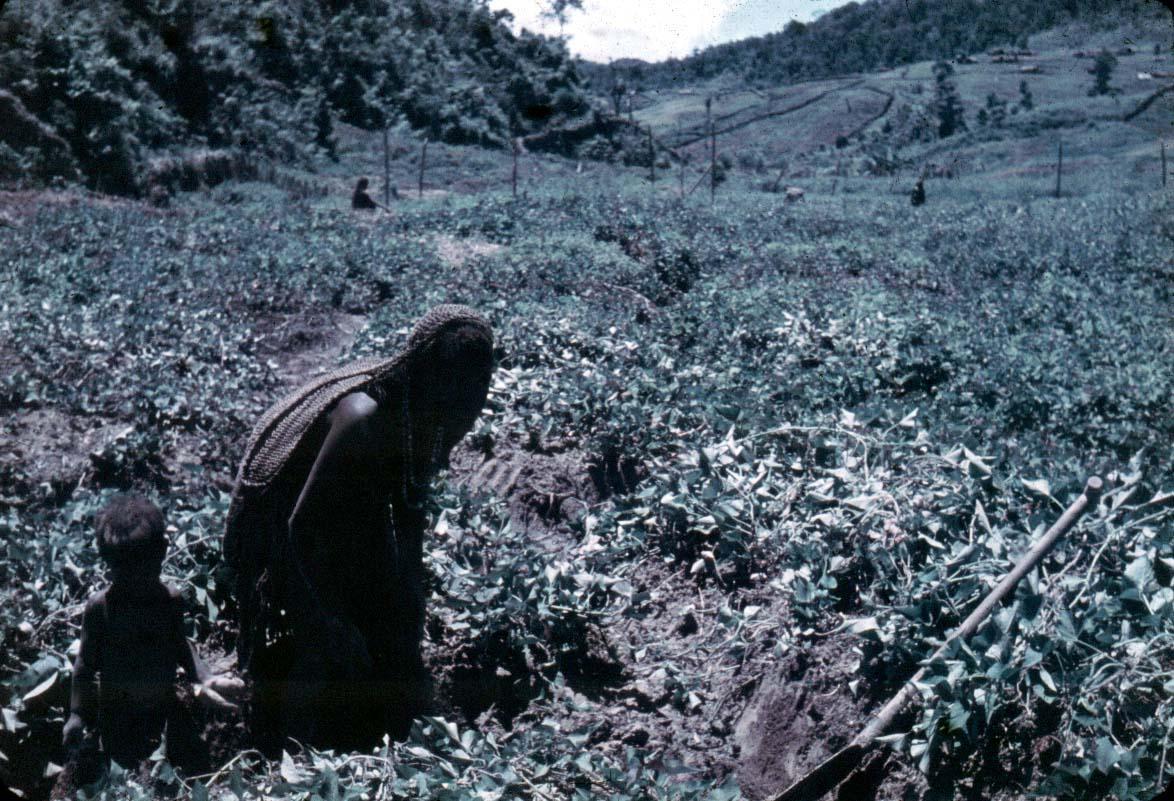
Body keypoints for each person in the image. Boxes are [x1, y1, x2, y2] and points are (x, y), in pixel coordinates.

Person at [225, 305, 494, 749]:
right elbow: (299, 531)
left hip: (346, 515)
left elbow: (409, 516)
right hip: (281, 539)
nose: (469, 412)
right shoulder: (364, 420)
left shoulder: (429, 414)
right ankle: (291, 745)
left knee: (389, 630)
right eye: (460, 398)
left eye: (477, 395)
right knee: (330, 655)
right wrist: (328, 624)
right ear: (429, 379)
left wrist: (409, 606)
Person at [63, 494, 242, 768]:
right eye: (124, 575)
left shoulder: (168, 600)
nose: (136, 584)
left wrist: (204, 677)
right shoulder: (100, 608)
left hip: (163, 710)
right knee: (121, 774)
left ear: (161, 553)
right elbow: (84, 666)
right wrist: (77, 714)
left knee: (176, 769)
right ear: (107, 563)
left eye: (145, 573)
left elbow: (181, 645)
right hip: (117, 718)